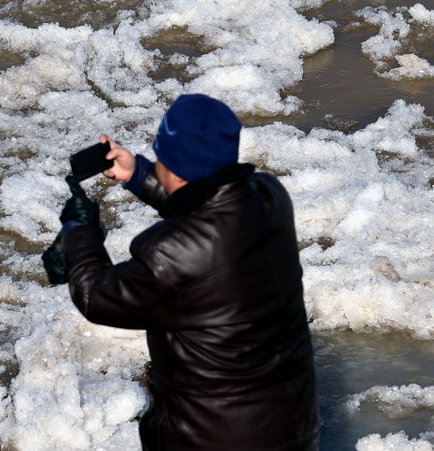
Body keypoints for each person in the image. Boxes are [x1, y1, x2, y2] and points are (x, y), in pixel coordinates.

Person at [45, 93, 319, 451]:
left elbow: (97, 296)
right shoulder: (269, 197)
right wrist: (138, 173)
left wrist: (78, 230)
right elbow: (206, 206)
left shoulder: (169, 254)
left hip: (213, 439)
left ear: (172, 165)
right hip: (292, 427)